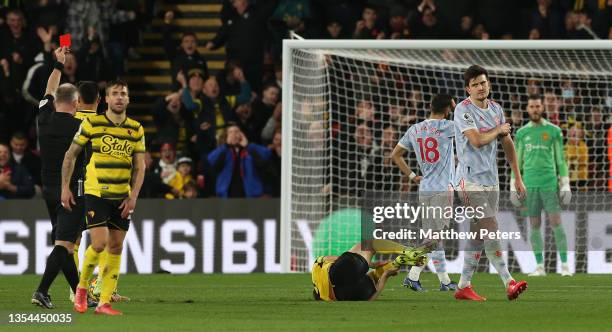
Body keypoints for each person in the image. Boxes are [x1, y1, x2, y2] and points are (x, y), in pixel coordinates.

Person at [61, 80, 145, 315]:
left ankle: (104, 302)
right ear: (106, 99)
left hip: (122, 196)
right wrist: (65, 187)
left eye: (123, 94)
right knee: (99, 243)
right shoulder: (91, 123)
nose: (119, 97)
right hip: (96, 192)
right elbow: (71, 155)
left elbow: (140, 167)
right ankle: (81, 288)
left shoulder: (136, 129)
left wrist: (134, 196)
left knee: (116, 246)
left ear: (128, 99)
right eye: (115, 94)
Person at [453, 65, 528, 301]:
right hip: (468, 181)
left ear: (489, 84)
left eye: (483, 82)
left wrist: (517, 176)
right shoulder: (463, 110)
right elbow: (476, 141)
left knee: (478, 233)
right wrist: (498, 129)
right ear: (468, 88)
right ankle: (509, 281)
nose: (480, 87)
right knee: (491, 227)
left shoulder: (496, 109)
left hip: (491, 180)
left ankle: (464, 285)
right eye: (475, 84)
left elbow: (507, 143)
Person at [32, 47, 85, 309]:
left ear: (55, 101)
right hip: (71, 190)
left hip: (48, 189)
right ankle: (41, 290)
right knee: (65, 244)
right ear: (76, 104)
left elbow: (48, 91)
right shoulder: (80, 128)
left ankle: (80, 294)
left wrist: (58, 64)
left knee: (66, 246)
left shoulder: (44, 117)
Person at [391, 94, 459, 292]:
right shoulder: (448, 127)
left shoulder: (415, 129)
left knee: (435, 237)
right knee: (434, 239)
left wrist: (413, 176)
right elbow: (471, 133)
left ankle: (445, 281)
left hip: (425, 188)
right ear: (447, 109)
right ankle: (412, 275)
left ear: (430, 106)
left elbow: (395, 155)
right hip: (442, 189)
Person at [511, 94, 572, 277]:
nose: (535, 109)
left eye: (538, 106)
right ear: (528, 109)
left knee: (556, 223)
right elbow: (517, 161)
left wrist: (565, 183)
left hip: (549, 184)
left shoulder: (554, 131)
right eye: (532, 106)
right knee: (534, 224)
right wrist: (513, 185)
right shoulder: (522, 133)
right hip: (530, 185)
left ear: (542, 108)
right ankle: (539, 266)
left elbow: (560, 159)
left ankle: (565, 266)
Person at [312, 239, 430, 302]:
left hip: (343, 296)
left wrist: (385, 276)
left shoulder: (326, 298)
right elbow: (338, 259)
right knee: (369, 244)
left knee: (374, 277)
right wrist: (370, 264)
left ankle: (397, 263)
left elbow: (371, 299)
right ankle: (408, 251)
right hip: (336, 275)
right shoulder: (316, 271)